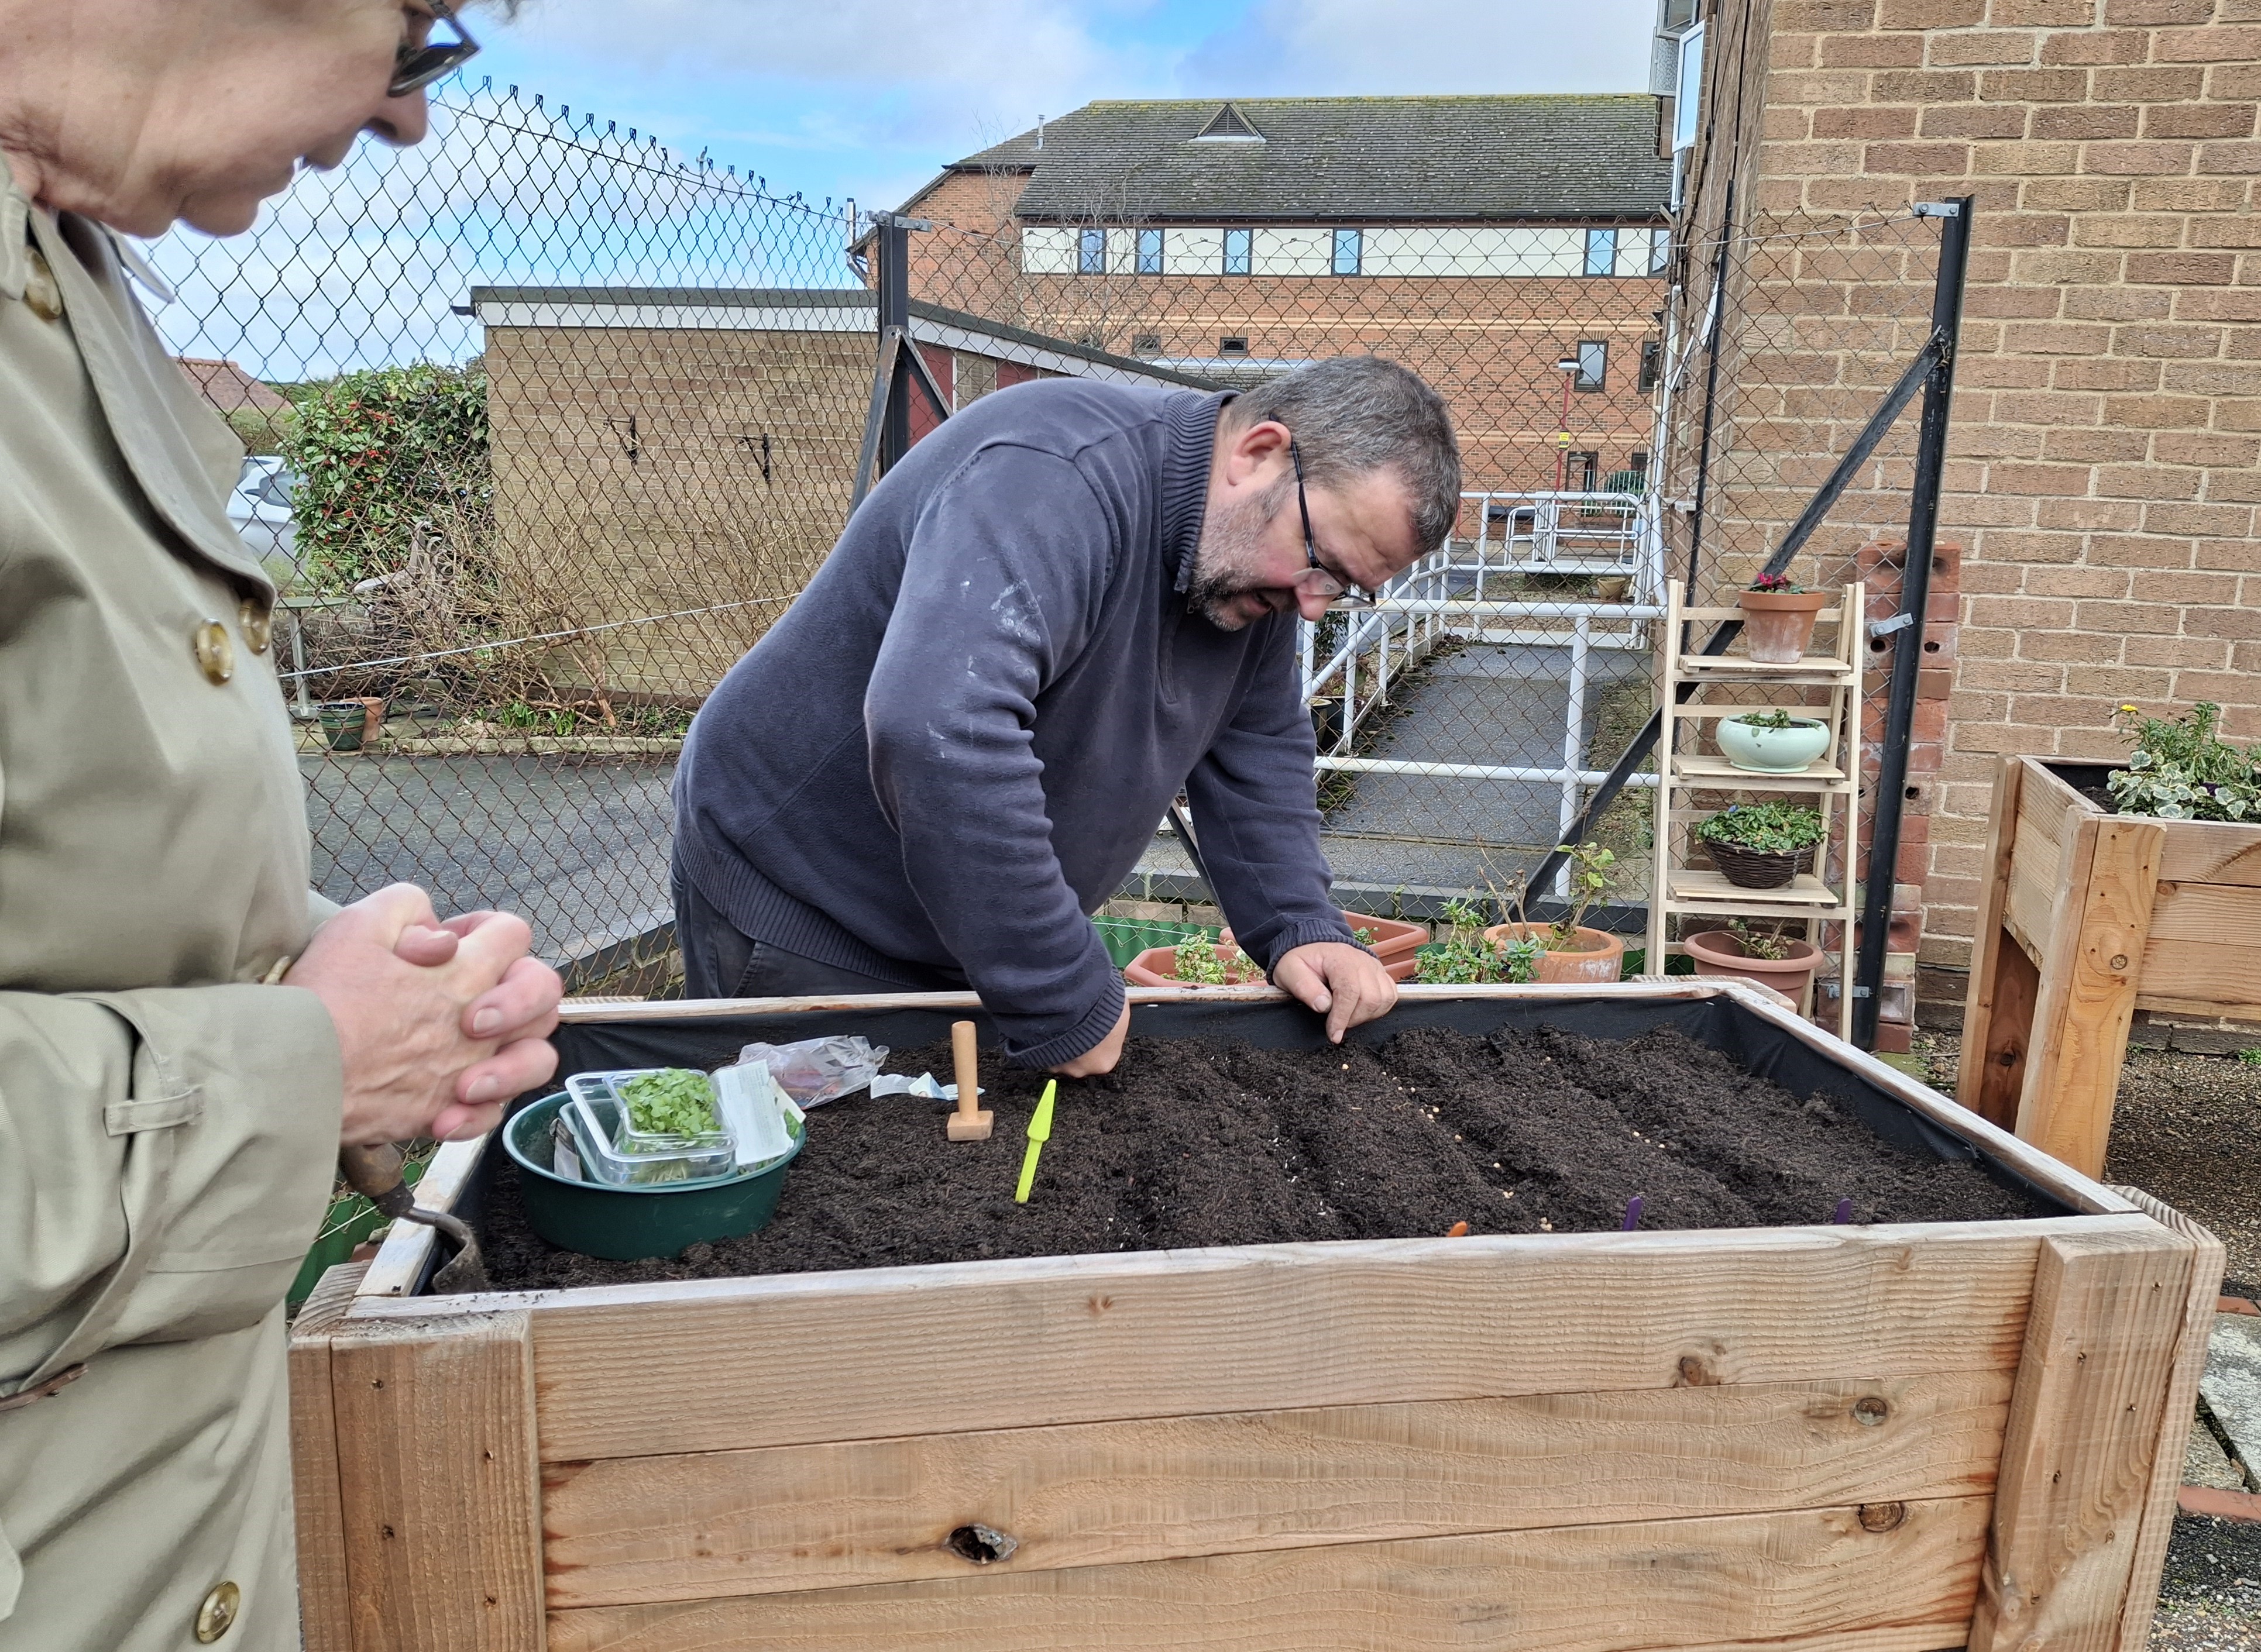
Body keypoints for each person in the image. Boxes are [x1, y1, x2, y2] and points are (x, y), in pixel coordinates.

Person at [0, 4, 561, 1648]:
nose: (407, 119)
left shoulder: (66, 276)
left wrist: (365, 993)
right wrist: (300, 1066)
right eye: (427, 32)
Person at [674, 356, 1462, 1073]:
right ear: (1258, 454)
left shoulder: (1252, 572)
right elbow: (943, 727)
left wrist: (1301, 923)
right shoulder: (1053, 477)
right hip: (807, 905)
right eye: (1321, 561)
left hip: (958, 927)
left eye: (1343, 590)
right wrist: (1057, 986)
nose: (1311, 603)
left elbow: (1256, 744)